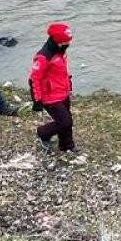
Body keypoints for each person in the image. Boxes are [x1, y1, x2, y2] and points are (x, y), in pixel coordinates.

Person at [30, 22, 75, 153]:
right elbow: (34, 79)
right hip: (49, 97)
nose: (68, 45)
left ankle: (67, 145)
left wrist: (69, 85)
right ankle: (42, 133)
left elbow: (64, 72)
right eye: (65, 42)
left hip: (63, 93)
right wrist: (37, 100)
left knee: (67, 120)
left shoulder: (61, 52)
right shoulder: (43, 57)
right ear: (57, 41)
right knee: (65, 122)